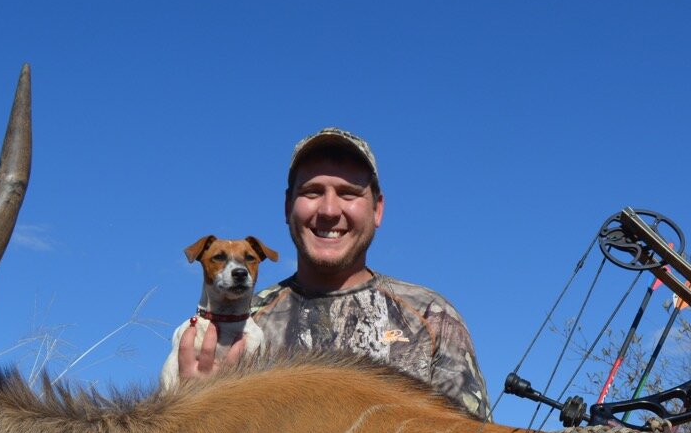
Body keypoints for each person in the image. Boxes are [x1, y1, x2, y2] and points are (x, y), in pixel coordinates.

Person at [178, 127, 490, 418]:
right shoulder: (242, 321)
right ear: (288, 207)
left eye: (348, 193)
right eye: (312, 192)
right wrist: (192, 408)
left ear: (377, 209)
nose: (329, 210)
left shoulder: (432, 318)